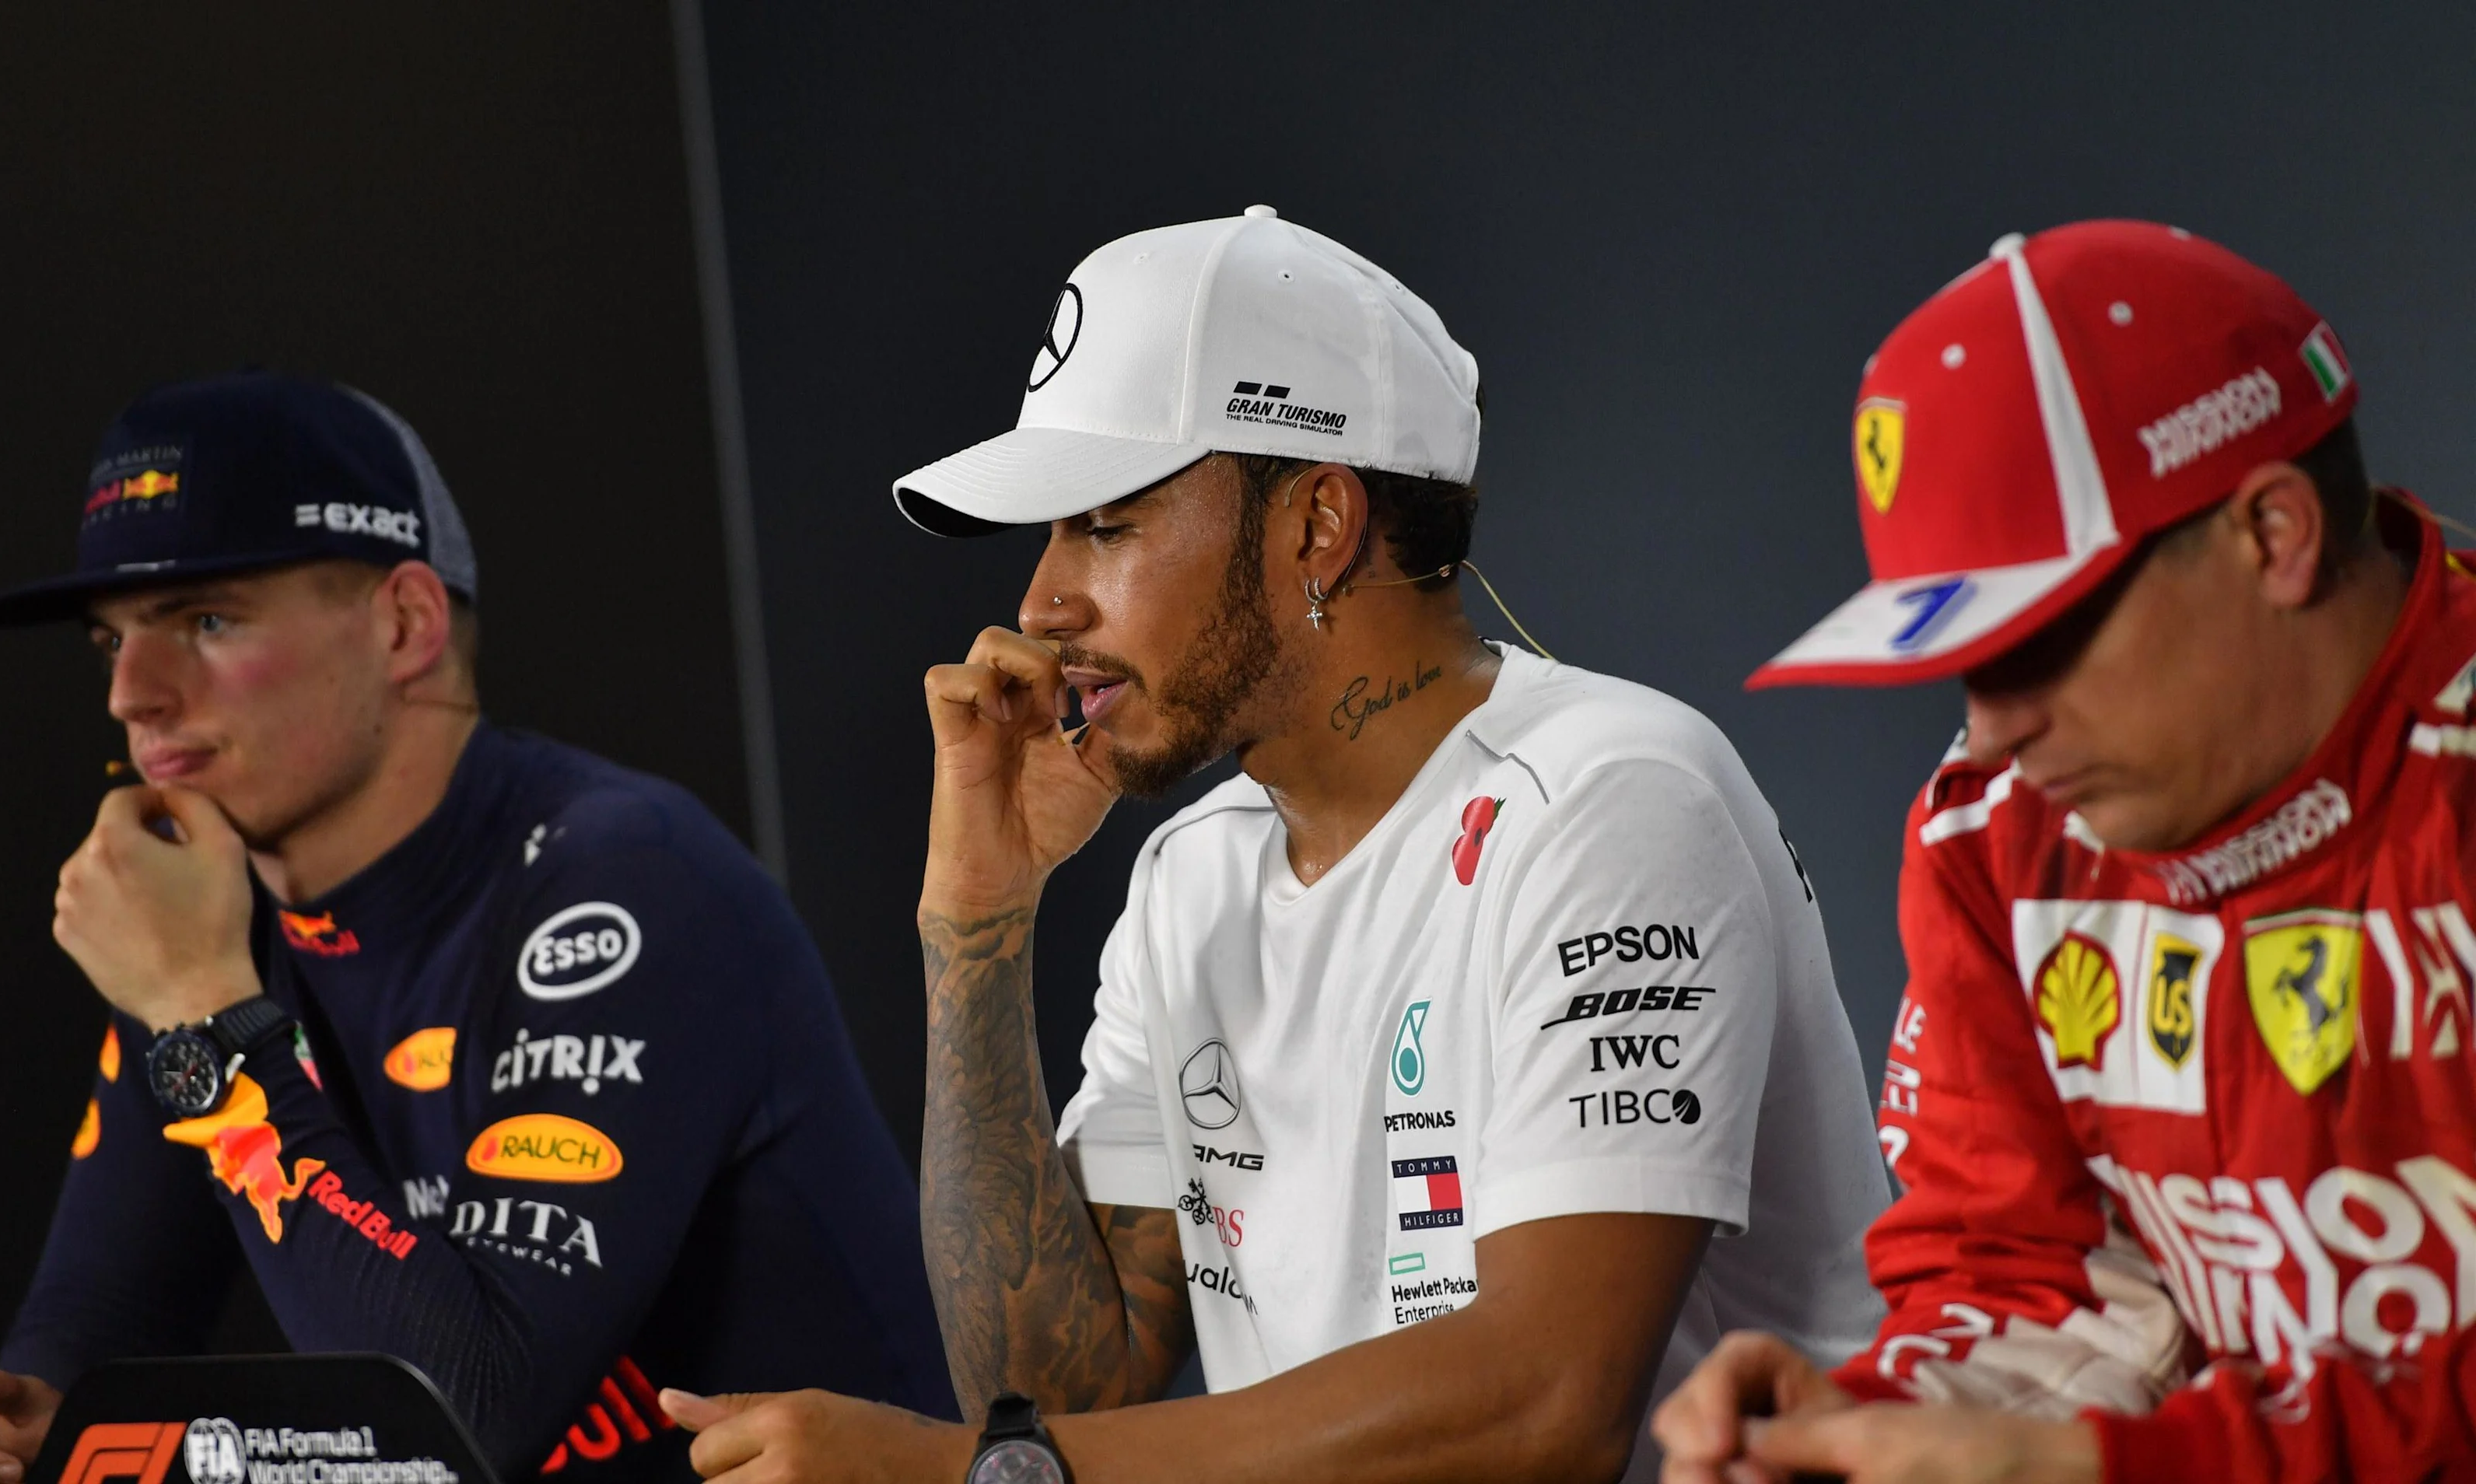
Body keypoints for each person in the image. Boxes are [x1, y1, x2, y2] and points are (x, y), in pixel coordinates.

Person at [659, 206, 1889, 1482]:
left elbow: (1545, 1409)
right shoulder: (1192, 877)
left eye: (1106, 524)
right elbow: (1066, 1390)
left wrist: (953, 1474)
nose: (1040, 601)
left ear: (1318, 524)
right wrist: (979, 918)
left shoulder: (1610, 798)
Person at [0, 373, 951, 1484]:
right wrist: (13, 1442)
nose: (133, 694)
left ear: (405, 624)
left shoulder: (628, 877)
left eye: (206, 621)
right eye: (108, 641)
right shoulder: (209, 934)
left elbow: (462, 1425)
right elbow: (88, 1336)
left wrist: (205, 1020)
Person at [1652, 219, 2476, 1482]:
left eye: (2034, 641)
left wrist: (2104, 1470)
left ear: (2274, 534)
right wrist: (1875, 1426)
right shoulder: (1999, 833)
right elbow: (2036, 1280)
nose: (1994, 730)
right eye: (1960, 659)